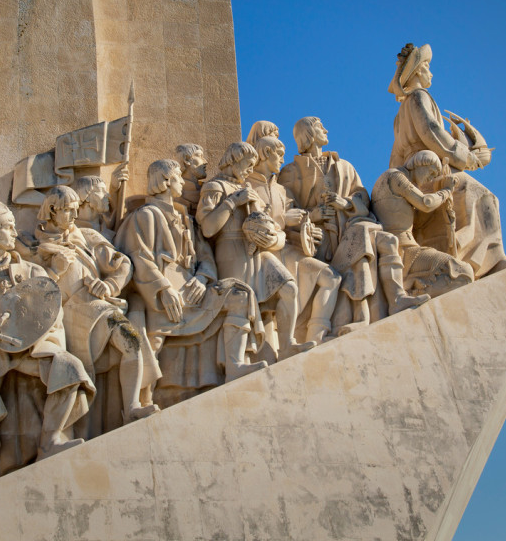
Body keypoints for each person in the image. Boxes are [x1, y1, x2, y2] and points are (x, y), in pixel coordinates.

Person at [0, 199, 94, 484]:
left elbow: (52, 315)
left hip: (26, 350)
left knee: (70, 369)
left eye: (13, 226)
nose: (15, 232)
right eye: (7, 227)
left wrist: (40, 340)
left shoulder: (32, 272)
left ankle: (49, 442)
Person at [115, 160, 266, 406]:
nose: (181, 183)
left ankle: (235, 365)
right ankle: (141, 400)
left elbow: (205, 256)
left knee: (240, 295)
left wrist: (202, 278)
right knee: (151, 339)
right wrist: (163, 289)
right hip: (160, 295)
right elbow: (139, 256)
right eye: (177, 178)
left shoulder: (187, 219)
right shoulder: (145, 215)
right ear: (165, 181)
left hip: (193, 291)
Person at [18, 187, 159, 435]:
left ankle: (133, 406)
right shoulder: (33, 247)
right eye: (68, 210)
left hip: (96, 306)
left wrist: (108, 284)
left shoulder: (84, 236)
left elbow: (123, 263)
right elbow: (31, 294)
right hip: (63, 321)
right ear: (52, 211)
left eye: (76, 209)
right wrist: (55, 271)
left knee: (132, 341)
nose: (74, 215)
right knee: (71, 378)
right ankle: (57, 437)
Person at [279, 117, 426, 333]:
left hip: (347, 229)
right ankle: (361, 315)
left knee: (383, 239)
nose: (326, 130)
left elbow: (361, 197)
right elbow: (284, 212)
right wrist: (314, 214)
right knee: (364, 238)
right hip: (318, 244)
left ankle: (396, 297)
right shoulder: (290, 172)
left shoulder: (344, 166)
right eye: (320, 127)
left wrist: (345, 203)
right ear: (308, 133)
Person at [388, 43, 506, 276]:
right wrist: (470, 158)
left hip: (415, 174)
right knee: (484, 197)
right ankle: (491, 262)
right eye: (427, 67)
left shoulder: (400, 113)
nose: (430, 72)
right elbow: (433, 134)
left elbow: (395, 159)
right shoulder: (418, 97)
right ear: (417, 71)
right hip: (429, 169)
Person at [197, 143, 316, 360]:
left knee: (289, 288)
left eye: (253, 165)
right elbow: (208, 228)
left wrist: (274, 239)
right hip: (231, 251)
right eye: (247, 164)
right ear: (234, 160)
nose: (250, 170)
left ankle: (287, 344)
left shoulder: (249, 191)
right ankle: (237, 362)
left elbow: (273, 228)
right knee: (242, 302)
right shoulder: (215, 188)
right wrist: (233, 202)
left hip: (259, 252)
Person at [247, 134, 341, 346]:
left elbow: (295, 218)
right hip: (263, 255)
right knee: (281, 297)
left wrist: (310, 224)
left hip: (287, 250)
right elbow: (249, 224)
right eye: (279, 154)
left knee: (330, 277)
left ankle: (316, 337)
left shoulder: (281, 190)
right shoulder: (247, 186)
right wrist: (282, 219)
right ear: (265, 153)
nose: (283, 159)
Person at [371, 150, 474, 298]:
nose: (429, 179)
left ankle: (415, 291)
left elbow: (418, 218)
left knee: (462, 274)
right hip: (404, 251)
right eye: (431, 172)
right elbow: (425, 202)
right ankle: (413, 294)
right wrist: (446, 190)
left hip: (404, 248)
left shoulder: (396, 181)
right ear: (420, 163)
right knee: (462, 272)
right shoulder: (396, 177)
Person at [172, 143, 209, 215]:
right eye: (199, 156)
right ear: (186, 159)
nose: (205, 162)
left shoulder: (209, 190)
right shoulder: (172, 194)